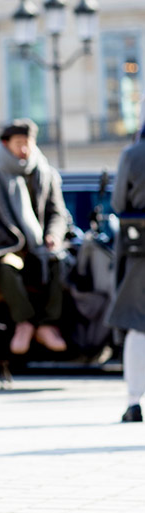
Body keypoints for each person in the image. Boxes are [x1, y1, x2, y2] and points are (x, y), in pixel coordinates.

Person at [0, 119, 69, 355]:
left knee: (60, 262)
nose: (24, 148)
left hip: (41, 247)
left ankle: (48, 325)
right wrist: (2, 236)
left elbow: (58, 213)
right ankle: (25, 323)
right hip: (7, 247)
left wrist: (53, 234)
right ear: (6, 144)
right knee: (7, 267)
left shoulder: (46, 174)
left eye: (28, 143)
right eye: (19, 143)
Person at [108, 124, 145, 423]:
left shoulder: (133, 155)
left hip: (141, 251)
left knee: (137, 324)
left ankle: (134, 401)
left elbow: (119, 204)